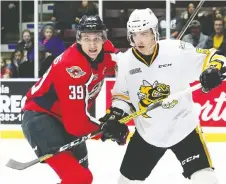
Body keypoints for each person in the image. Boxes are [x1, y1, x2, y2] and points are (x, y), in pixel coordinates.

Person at [100, 8, 226, 184]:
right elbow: (122, 97)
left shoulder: (176, 50)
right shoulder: (125, 62)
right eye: (135, 34)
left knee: (206, 179)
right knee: (125, 182)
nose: (139, 39)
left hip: (183, 128)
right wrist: (115, 116)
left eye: (144, 33)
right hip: (148, 133)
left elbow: (215, 56)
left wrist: (215, 69)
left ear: (154, 33)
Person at [21, 15, 128, 184]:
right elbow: (76, 124)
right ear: (78, 39)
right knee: (79, 178)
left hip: (65, 119)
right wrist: (105, 130)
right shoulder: (72, 67)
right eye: (86, 39)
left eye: (97, 38)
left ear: (104, 38)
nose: (92, 44)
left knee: (81, 177)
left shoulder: (107, 50)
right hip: (40, 119)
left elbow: (127, 65)